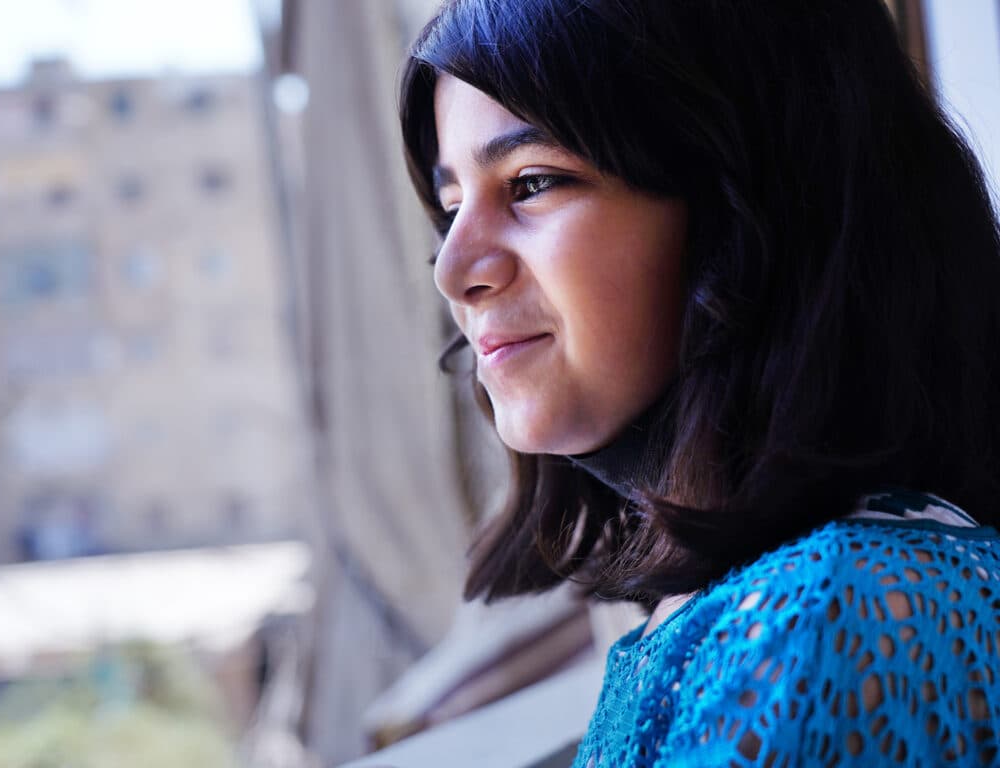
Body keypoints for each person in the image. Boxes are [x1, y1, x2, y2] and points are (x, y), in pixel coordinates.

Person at [399, 0, 1000, 764]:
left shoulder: (820, 616)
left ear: (750, 206)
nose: (454, 271)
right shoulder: (772, 598)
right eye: (452, 209)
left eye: (532, 183)